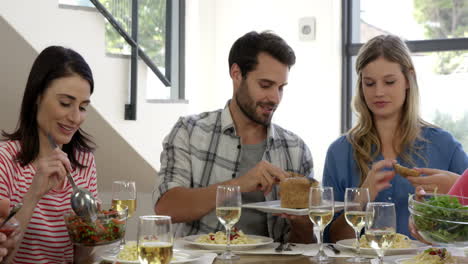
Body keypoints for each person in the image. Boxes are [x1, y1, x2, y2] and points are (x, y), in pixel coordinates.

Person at [153, 31, 314, 243]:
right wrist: (238, 185)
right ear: (236, 74)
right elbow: (166, 208)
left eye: (281, 88)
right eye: (265, 85)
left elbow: (304, 248)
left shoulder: (296, 150)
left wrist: (302, 223)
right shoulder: (189, 131)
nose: (275, 98)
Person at [322, 34, 468, 242]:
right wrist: (361, 199)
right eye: (369, 83)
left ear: (409, 79)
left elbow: (463, 237)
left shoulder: (445, 146)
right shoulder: (340, 152)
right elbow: (331, 241)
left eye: (389, 82)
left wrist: (456, 190)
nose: (379, 92)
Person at [0, 46, 98, 263]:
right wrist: (33, 194)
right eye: (65, 103)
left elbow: (82, 260)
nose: (75, 118)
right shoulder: (4, 160)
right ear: (37, 96)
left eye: (82, 107)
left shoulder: (84, 162)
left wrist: (91, 230)